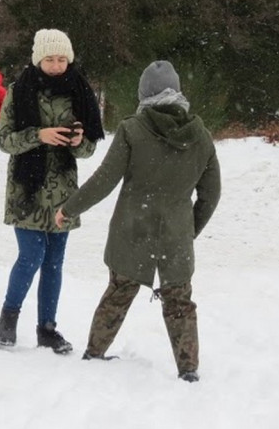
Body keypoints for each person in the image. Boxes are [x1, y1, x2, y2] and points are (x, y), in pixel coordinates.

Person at [55, 60, 221, 382]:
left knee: (118, 293)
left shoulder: (133, 129)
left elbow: (104, 180)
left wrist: (69, 209)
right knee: (180, 302)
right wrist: (189, 230)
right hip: (175, 236)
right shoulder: (200, 136)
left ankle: (94, 353)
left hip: (132, 230)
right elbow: (211, 194)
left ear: (144, 95)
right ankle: (188, 370)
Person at [0, 29, 104, 354]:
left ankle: (47, 328)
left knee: (54, 261)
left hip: (63, 191)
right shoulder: (18, 90)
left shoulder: (79, 92)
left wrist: (77, 142)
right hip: (26, 189)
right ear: (38, 60)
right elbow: (4, 140)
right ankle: (9, 316)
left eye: (61, 59)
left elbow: (88, 149)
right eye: (49, 59)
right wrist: (38, 135)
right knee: (31, 255)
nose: (56, 65)